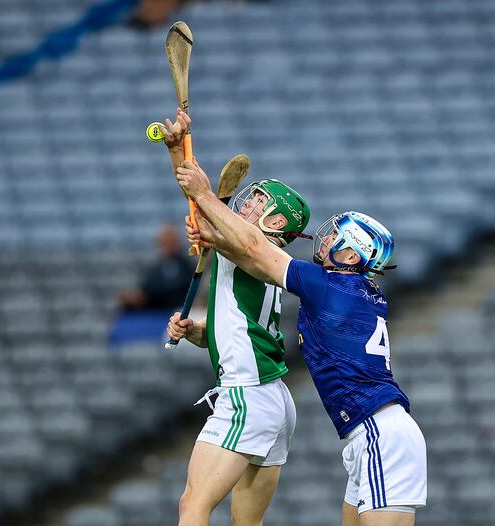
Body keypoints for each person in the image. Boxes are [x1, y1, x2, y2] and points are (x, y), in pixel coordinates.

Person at [173, 160, 428, 526]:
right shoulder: (357, 291)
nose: (323, 240)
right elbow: (251, 255)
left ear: (351, 255)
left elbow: (254, 248)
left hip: (379, 433)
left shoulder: (329, 286)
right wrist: (214, 235)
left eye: (335, 237)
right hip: (369, 434)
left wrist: (203, 196)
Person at [159, 109, 312, 526]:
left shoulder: (250, 245)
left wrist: (180, 156)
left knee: (192, 506)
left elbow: (204, 209)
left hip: (248, 393)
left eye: (261, 202)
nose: (249, 202)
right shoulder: (259, 253)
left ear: (277, 222)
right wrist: (200, 332)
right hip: (273, 395)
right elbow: (247, 327)